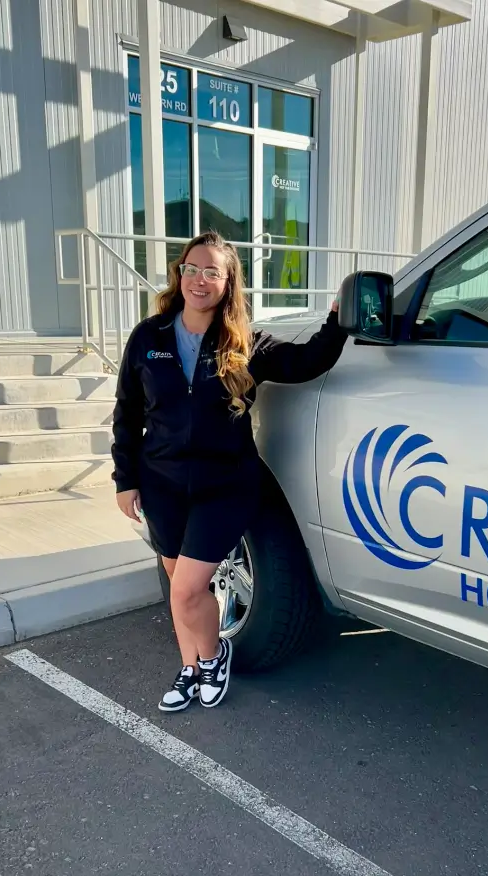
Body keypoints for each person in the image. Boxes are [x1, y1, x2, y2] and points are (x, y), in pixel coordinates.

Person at [111, 231, 348, 713]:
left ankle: (215, 655)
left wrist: (337, 320)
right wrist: (125, 478)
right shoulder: (148, 337)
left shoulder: (245, 342)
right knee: (180, 583)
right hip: (162, 485)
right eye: (192, 269)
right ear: (180, 275)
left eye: (212, 272)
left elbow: (307, 362)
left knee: (187, 588)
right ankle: (190, 668)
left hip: (225, 485)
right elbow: (127, 412)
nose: (200, 279)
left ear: (227, 283)